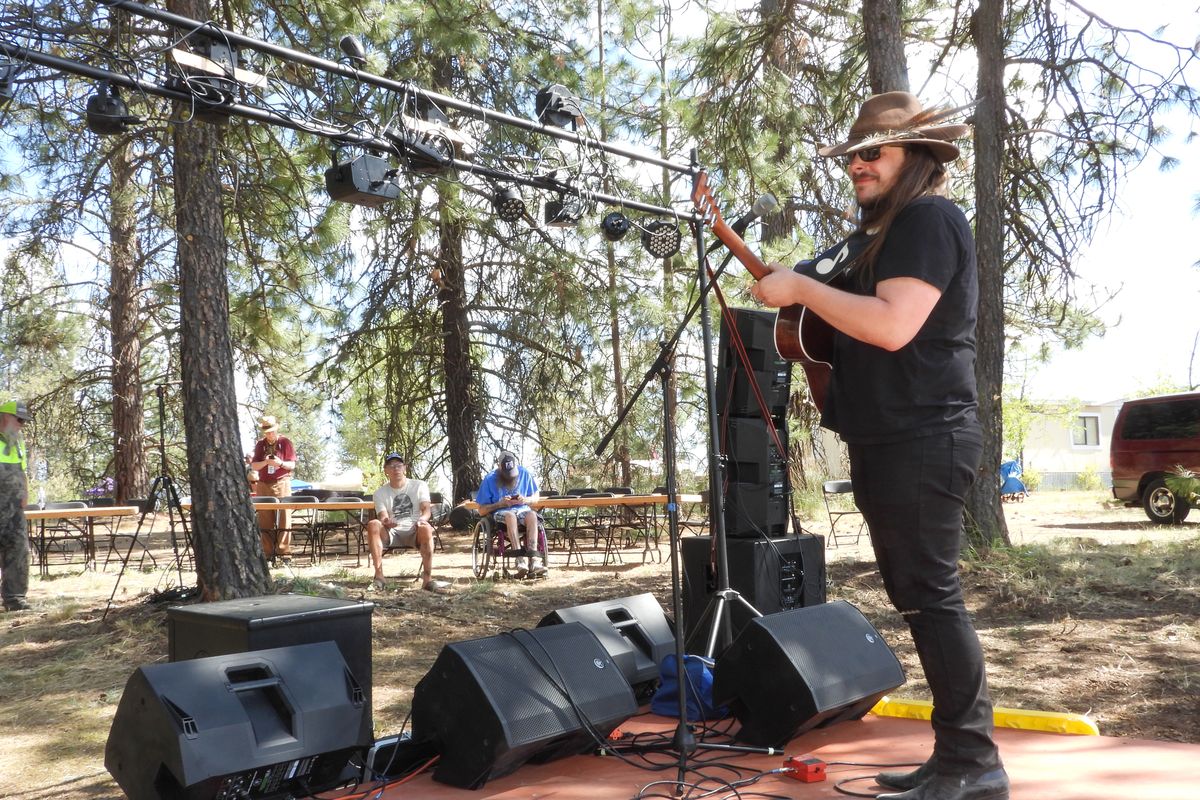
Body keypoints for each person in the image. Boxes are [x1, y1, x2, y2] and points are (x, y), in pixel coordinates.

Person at [749, 92, 1008, 800]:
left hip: (923, 434)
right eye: (853, 156)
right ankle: (955, 753)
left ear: (916, 157)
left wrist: (800, 284)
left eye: (874, 154)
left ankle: (973, 762)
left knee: (932, 595)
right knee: (920, 599)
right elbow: (823, 307)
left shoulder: (928, 218)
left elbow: (893, 325)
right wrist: (787, 288)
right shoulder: (878, 236)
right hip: (890, 435)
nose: (858, 166)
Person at [366, 453, 448, 592]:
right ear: (386, 470)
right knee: (373, 524)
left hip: (415, 529)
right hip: (392, 532)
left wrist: (422, 520)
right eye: (391, 466)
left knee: (426, 528)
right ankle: (379, 577)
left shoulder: (419, 485)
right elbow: (382, 515)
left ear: (405, 468)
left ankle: (427, 580)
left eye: (399, 465)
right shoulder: (380, 492)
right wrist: (386, 521)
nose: (395, 469)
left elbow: (426, 510)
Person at [475, 450, 547, 578]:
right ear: (500, 468)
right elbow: (481, 510)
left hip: (523, 509)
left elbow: (536, 496)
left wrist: (526, 499)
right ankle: (519, 558)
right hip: (501, 512)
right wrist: (500, 504)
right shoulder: (490, 479)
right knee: (510, 516)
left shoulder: (524, 473)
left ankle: (534, 561)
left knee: (532, 515)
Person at [249, 415, 296, 560]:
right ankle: (267, 552)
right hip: (263, 483)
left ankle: (284, 552)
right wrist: (266, 462)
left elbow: (292, 465)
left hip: (282, 482)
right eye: (267, 432)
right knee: (264, 518)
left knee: (284, 517)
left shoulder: (285, 442)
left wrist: (279, 463)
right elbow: (254, 465)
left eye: (272, 431)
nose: (270, 434)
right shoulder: (260, 445)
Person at [0, 399, 32, 612]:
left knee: (18, 550)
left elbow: (22, 470)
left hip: (14, 507)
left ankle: (15, 600)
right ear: (4, 416)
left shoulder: (17, 443)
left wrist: (25, 492)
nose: (21, 424)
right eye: (18, 419)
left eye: (24, 421)